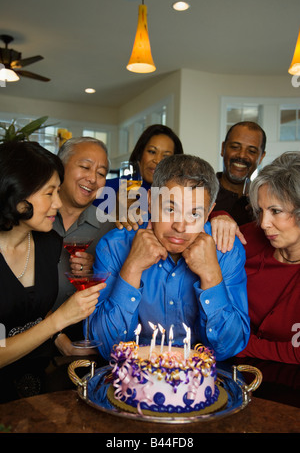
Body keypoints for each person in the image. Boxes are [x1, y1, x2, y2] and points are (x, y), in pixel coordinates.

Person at [88, 154, 250, 361]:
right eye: (170, 209)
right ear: (150, 201)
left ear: (210, 212)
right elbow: (105, 346)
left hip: (203, 381)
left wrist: (211, 277)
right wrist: (132, 267)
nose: (180, 227)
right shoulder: (114, 245)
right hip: (133, 377)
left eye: (194, 214)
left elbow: (230, 346)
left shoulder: (226, 248)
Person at [0, 141, 106, 402]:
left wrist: (63, 342)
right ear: (17, 191)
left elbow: (33, 306)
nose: (58, 203)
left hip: (42, 387)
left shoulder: (48, 244)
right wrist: (60, 319)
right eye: (49, 193)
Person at [233, 151, 300, 364]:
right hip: (235, 372)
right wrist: (220, 218)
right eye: (260, 211)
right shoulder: (251, 238)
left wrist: (235, 343)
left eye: (275, 211)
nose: (264, 223)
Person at [51, 137, 115, 355]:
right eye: (85, 167)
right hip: (22, 340)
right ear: (60, 167)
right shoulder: (33, 217)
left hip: (84, 346)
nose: (93, 178)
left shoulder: (111, 228)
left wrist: (96, 269)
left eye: (101, 173)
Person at [94, 124, 183, 230]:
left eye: (166, 156)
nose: (157, 160)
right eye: (152, 152)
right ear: (140, 154)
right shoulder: (107, 187)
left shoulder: (182, 195)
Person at [214, 121, 266, 225]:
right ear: (223, 148)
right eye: (235, 147)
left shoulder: (264, 200)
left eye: (251, 151)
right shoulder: (200, 191)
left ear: (261, 157)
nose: (242, 155)